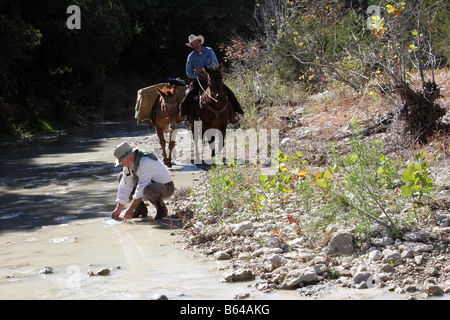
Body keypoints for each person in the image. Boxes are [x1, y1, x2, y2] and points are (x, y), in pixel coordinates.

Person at [180, 34, 244, 126]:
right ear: (192, 46)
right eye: (193, 44)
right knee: (189, 94)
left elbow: (215, 64)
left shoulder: (209, 50)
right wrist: (197, 75)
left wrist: (202, 70)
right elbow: (188, 72)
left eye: (196, 42)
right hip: (199, 80)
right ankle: (189, 117)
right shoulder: (191, 57)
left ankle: (233, 114)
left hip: (213, 78)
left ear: (200, 42)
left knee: (228, 92)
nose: (195, 45)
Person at [110, 141, 175, 221]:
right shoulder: (128, 165)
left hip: (166, 187)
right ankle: (139, 209)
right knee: (121, 176)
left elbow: (141, 187)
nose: (122, 165)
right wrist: (118, 208)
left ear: (130, 157)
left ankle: (162, 210)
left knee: (148, 189)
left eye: (122, 161)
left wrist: (130, 210)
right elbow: (125, 186)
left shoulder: (146, 161)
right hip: (148, 185)